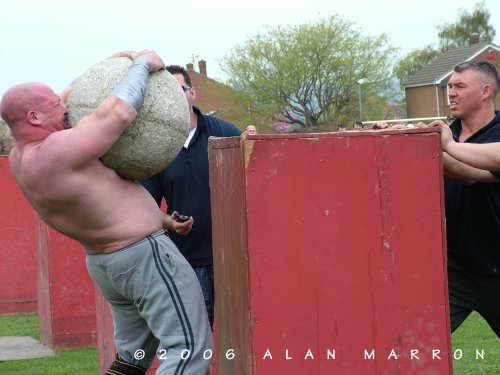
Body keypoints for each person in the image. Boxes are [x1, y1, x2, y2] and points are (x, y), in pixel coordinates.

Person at [0, 50, 212, 374]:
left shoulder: (21, 159)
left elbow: (100, 203)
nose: (66, 108)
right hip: (142, 258)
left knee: (132, 359)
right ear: (34, 118)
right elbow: (118, 113)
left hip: (108, 263)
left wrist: (107, 65)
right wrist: (143, 64)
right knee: (190, 348)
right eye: (57, 107)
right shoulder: (56, 151)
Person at [140, 65, 242, 330]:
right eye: (166, 92)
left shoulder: (226, 133)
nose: (174, 96)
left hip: (235, 260)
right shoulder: (156, 147)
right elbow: (146, 207)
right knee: (197, 342)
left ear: (192, 92)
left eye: (179, 89)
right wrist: (168, 222)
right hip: (187, 262)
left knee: (244, 339)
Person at [428, 60, 500, 338]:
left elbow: (474, 173)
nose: (451, 93)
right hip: (455, 271)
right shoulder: (448, 130)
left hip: (497, 266)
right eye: (449, 86)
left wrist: (446, 147)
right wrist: (397, 140)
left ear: (485, 91)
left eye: (459, 86)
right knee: (415, 341)